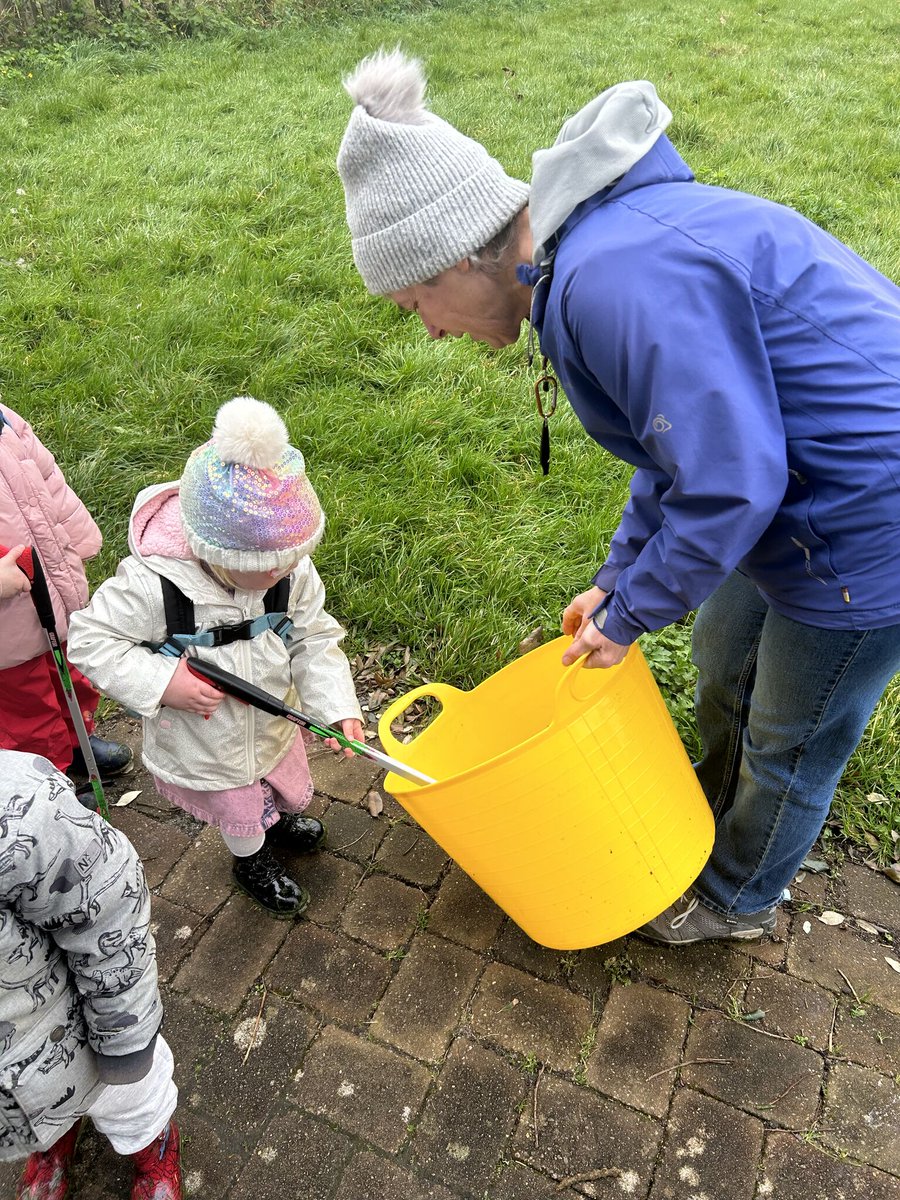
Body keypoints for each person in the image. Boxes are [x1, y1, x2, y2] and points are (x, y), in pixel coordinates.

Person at [336, 49, 900, 944]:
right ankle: (709, 816)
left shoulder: (608, 282)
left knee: (793, 734)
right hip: (791, 494)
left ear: (455, 259)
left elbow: (728, 479)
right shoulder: (575, 267)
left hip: (869, 514)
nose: (433, 331)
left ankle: (735, 900)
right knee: (725, 668)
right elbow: (675, 451)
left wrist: (633, 612)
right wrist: (618, 581)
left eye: (415, 306)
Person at [67, 396, 364, 919]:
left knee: (276, 775)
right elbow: (89, 639)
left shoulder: (287, 567)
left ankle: (279, 820)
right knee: (238, 805)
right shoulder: (155, 584)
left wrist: (337, 704)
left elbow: (313, 636)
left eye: (294, 559)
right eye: (272, 567)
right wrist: (163, 683)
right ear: (219, 556)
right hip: (207, 738)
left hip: (271, 717)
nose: (289, 571)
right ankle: (250, 859)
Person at [1, 749, 181, 1200]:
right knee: (31, 1117)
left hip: (74, 1037)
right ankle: (48, 1140)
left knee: (130, 1100)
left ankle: (152, 1142)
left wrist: (125, 1040)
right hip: (13, 1091)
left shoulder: (17, 805)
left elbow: (108, 905)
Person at [0, 402, 133, 788]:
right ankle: (50, 784)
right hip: (7, 624)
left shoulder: (5, 417)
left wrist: (77, 536)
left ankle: (79, 743)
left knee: (69, 674)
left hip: (50, 587)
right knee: (29, 706)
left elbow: (46, 477)